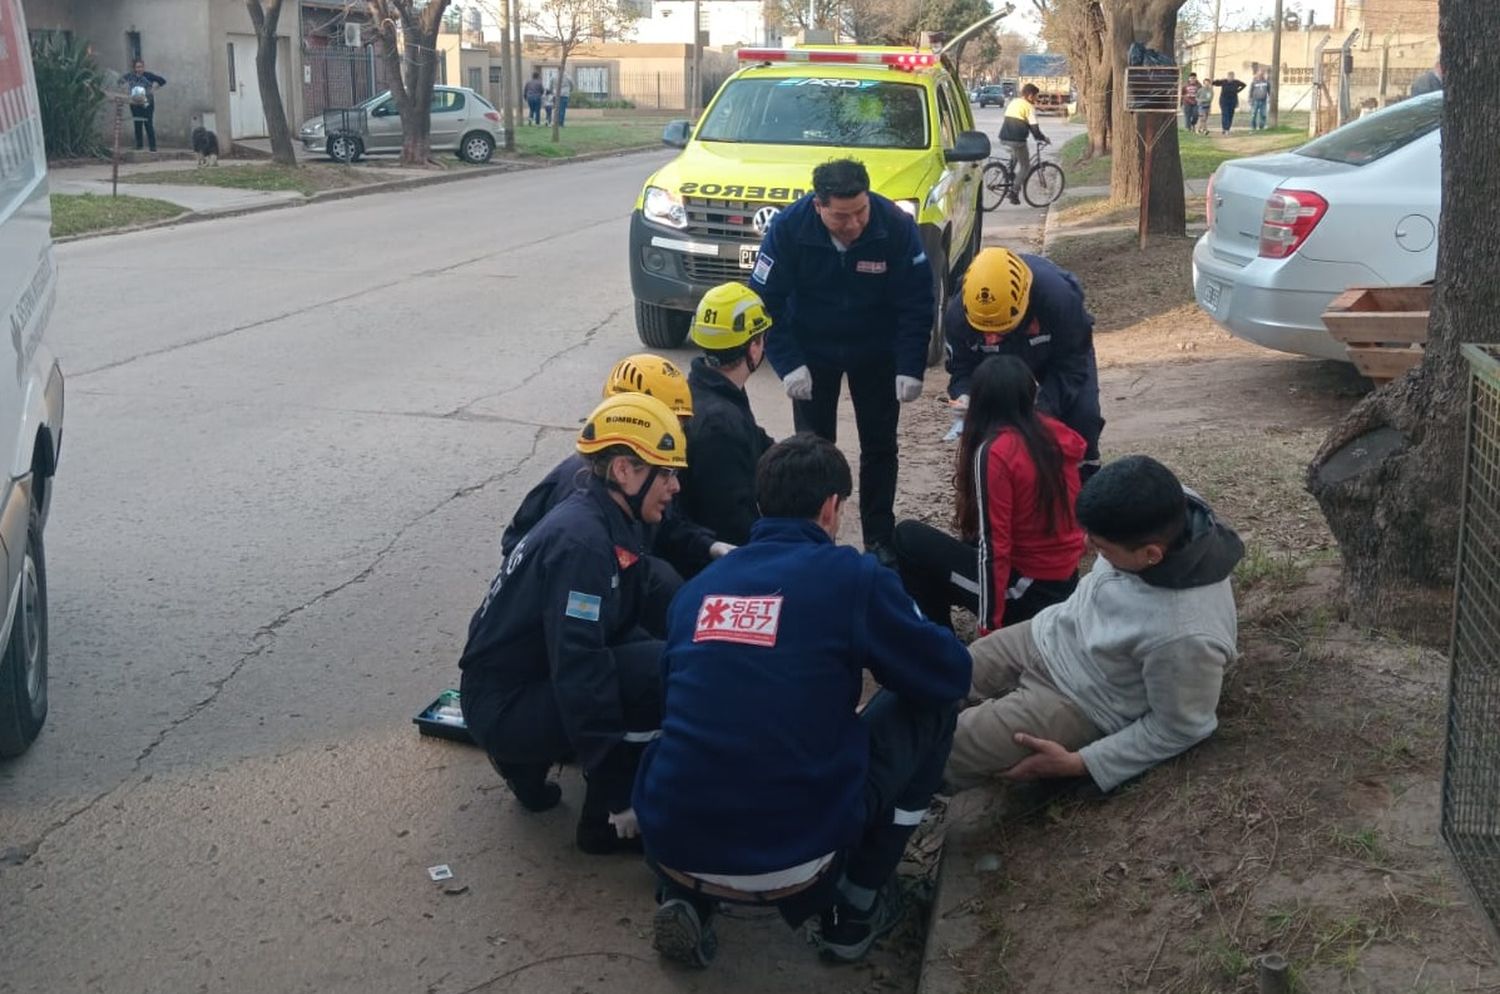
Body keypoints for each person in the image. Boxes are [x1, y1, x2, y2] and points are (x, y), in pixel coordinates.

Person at [634, 434, 971, 968]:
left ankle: (688, 897)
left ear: (762, 505)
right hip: (798, 854)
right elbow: (950, 673)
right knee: (932, 708)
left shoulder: (699, 588)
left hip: (672, 839)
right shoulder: (853, 577)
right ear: (831, 507)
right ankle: (855, 907)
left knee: (708, 725)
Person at [458, 392, 688, 855]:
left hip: (508, 684)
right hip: (505, 705)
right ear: (624, 470)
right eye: (665, 473)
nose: (675, 486)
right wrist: (618, 788)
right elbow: (581, 668)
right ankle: (605, 823)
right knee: (655, 673)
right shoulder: (582, 545)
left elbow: (638, 600)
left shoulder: (601, 512)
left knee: (658, 646)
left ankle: (525, 762)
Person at [944, 455, 1243, 795]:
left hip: (1081, 701)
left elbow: (1180, 728)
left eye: (1101, 547)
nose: (1086, 547)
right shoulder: (1164, 506)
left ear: (1151, 555)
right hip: (1048, 632)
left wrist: (1081, 763)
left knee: (946, 748)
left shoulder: (1185, 634)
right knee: (940, 670)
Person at [750, 158, 934, 567]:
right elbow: (766, 304)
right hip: (813, 352)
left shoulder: (894, 226)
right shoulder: (788, 229)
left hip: (876, 351)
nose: (853, 225)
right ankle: (814, 538)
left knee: (880, 446)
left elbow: (918, 301)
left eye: (860, 212)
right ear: (818, 206)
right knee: (814, 451)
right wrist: (788, 363)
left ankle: (880, 538)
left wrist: (909, 363)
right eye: (841, 217)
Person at [894, 355, 1085, 633]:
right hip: (1064, 582)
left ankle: (938, 650)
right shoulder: (1055, 433)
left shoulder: (996, 451)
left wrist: (989, 630)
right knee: (964, 542)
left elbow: (995, 547)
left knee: (908, 538)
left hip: (1026, 594)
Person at [499, 354, 722, 577]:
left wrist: (708, 546)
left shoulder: (626, 481)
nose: (677, 435)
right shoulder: (583, 504)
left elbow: (665, 526)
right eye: (671, 423)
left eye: (681, 426)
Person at [944, 247, 1103, 479]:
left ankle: (1084, 484)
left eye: (1000, 330)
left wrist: (1040, 409)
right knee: (989, 431)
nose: (991, 338)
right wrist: (965, 395)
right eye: (983, 331)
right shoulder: (958, 317)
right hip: (998, 367)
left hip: (1056, 356)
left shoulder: (1059, 300)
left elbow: (1073, 363)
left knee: (1083, 417)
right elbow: (961, 368)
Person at [678, 283, 776, 548]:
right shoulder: (720, 423)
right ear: (753, 347)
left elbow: (760, 443)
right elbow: (730, 523)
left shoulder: (702, 390)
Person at [998, 83, 1049, 205]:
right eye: (1036, 96)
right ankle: (1014, 192)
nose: (1037, 99)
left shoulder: (1015, 102)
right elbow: (1035, 129)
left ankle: (1010, 174)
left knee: (1015, 155)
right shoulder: (1029, 107)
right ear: (1030, 95)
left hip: (1004, 137)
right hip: (1017, 140)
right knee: (1025, 166)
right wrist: (1043, 138)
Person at [121, 59, 166, 153]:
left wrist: (154, 89)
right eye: (137, 67)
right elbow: (120, 81)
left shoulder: (148, 75)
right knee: (137, 124)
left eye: (141, 67)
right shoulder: (130, 76)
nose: (139, 69)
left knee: (148, 124)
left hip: (147, 103)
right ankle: (139, 145)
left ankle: (152, 147)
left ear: (143, 67)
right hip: (135, 103)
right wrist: (125, 91)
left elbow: (162, 81)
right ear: (134, 68)